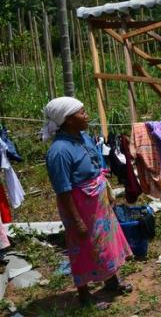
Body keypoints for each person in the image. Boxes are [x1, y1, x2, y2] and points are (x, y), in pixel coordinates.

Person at [42, 97, 133, 309]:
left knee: (105, 242)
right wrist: (77, 221)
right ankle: (85, 296)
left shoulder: (83, 137)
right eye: (81, 113)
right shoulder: (59, 152)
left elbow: (94, 163)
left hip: (97, 202)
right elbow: (63, 190)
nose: (86, 116)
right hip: (79, 207)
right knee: (83, 247)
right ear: (68, 119)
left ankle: (111, 280)